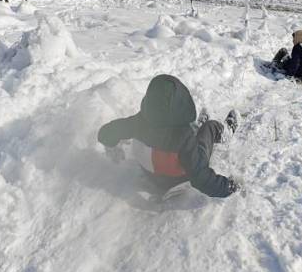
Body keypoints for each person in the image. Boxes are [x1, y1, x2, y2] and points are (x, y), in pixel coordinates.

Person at [98, 74, 240, 199]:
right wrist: (229, 187)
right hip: (178, 179)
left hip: (151, 174)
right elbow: (200, 178)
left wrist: (112, 149)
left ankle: (197, 128)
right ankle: (225, 131)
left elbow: (105, 133)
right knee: (210, 127)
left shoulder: (138, 121)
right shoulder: (183, 137)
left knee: (188, 132)